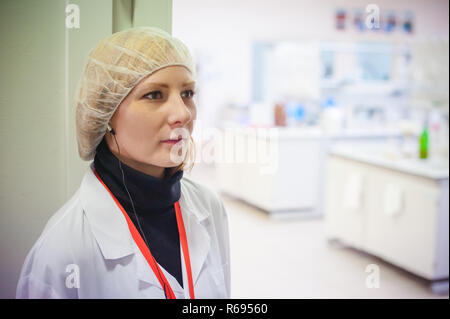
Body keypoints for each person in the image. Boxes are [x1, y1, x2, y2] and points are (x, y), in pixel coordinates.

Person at [16, 27, 231, 299]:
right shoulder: (61, 251)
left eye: (187, 93)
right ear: (105, 112)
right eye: (154, 95)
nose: (182, 113)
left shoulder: (209, 207)